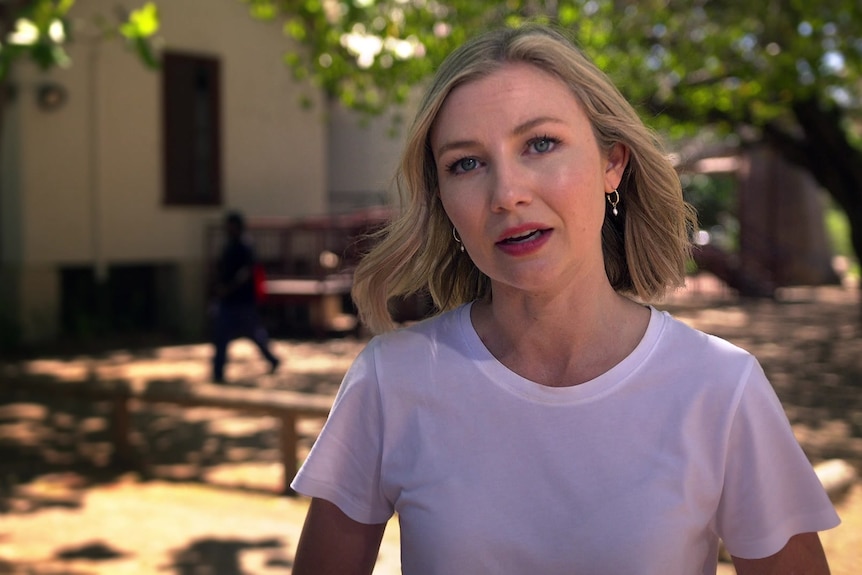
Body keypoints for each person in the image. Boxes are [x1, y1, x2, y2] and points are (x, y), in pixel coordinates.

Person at [290, 24, 840, 574]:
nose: (507, 194)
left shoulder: (720, 387)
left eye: (541, 144)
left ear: (612, 163)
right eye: (466, 163)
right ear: (443, 201)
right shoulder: (391, 382)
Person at [211, 211, 280, 383]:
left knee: (254, 334)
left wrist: (230, 287)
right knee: (221, 336)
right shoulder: (228, 245)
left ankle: (272, 359)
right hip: (228, 300)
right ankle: (218, 372)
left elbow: (248, 272)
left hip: (242, 300)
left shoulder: (245, 245)